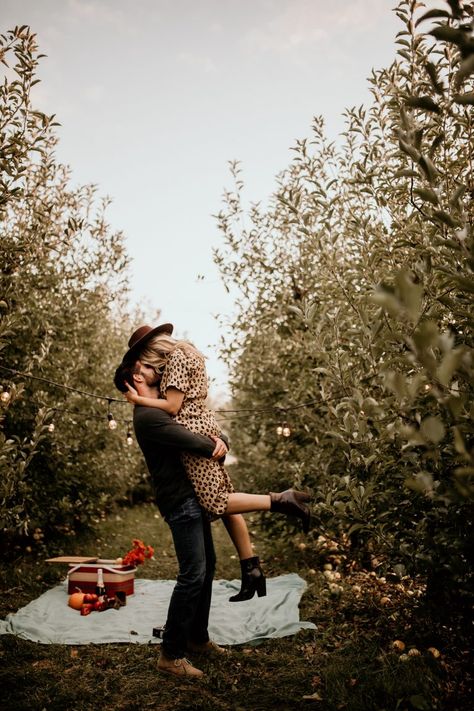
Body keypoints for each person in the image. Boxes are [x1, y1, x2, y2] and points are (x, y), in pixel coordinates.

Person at [119, 323, 312, 604]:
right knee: (228, 502)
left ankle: (280, 500)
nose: (149, 368)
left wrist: (138, 399)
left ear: (151, 350)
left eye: (145, 361)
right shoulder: (187, 354)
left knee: (217, 502)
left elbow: (174, 408)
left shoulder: (175, 360)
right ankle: (251, 569)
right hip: (202, 425)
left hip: (195, 431)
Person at [114, 354, 228, 679]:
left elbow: (203, 430)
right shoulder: (148, 416)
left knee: (208, 568)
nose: (157, 371)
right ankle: (170, 655)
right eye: (148, 368)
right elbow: (194, 441)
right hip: (180, 501)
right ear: (136, 378)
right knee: (193, 573)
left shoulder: (160, 407)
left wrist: (221, 439)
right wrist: (216, 443)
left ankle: (197, 636)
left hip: (191, 496)